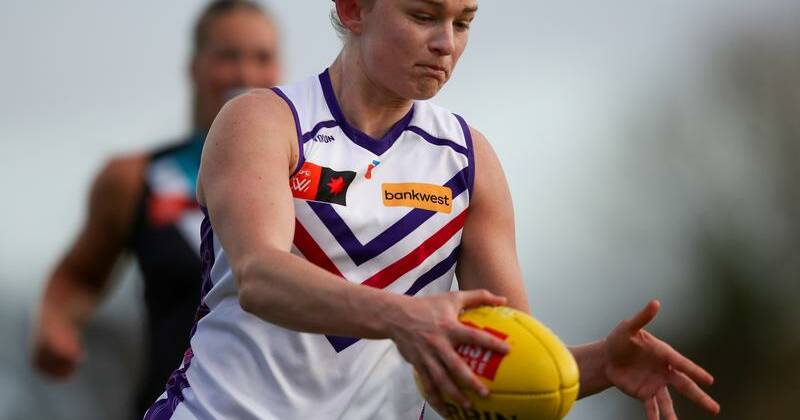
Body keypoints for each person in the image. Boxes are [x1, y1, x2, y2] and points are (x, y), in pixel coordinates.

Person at [146, 0, 721, 419]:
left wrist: (596, 365)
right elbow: (261, 277)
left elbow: (503, 359)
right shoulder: (264, 121)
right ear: (353, 10)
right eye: (424, 17)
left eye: (463, 22)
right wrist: (403, 316)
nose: (446, 43)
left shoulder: (469, 161)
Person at [31, 1, 282, 418]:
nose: (245, 74)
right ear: (194, 67)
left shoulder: (310, 179)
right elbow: (80, 276)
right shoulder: (132, 180)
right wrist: (54, 327)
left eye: (262, 57)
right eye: (228, 56)